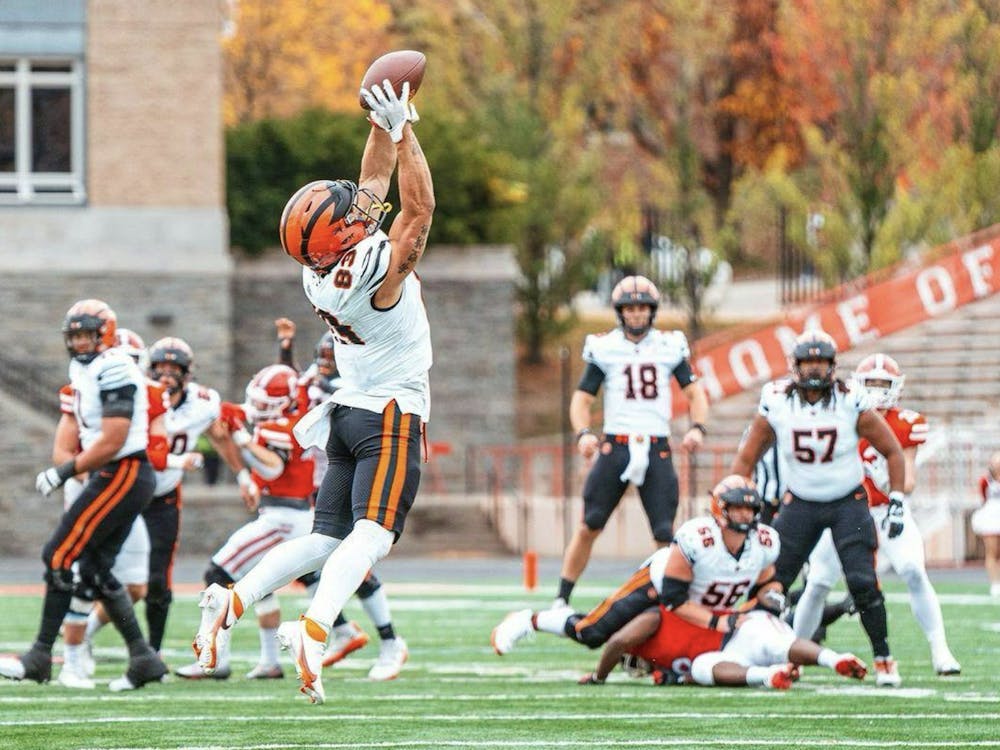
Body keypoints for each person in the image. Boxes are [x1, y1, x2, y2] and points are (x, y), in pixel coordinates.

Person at [192, 77, 433, 704]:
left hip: (346, 412)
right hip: (390, 411)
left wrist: (381, 125)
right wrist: (406, 130)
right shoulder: (377, 271)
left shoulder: (315, 271)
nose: (357, 207)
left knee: (325, 537)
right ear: (344, 238)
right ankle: (317, 625)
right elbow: (419, 208)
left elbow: (374, 188)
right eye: (347, 214)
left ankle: (235, 595)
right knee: (373, 536)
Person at [0, 300, 166, 691]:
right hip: (118, 473)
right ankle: (143, 657)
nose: (79, 342)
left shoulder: (114, 366)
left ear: (104, 334)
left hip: (124, 470)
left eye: (86, 334)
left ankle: (40, 656)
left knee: (57, 554)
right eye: (73, 335)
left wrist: (63, 471)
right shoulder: (86, 368)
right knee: (92, 567)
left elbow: (113, 438)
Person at [731, 329, 907, 687]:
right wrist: (733, 497)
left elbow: (893, 451)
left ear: (832, 366)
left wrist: (898, 498)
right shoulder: (777, 400)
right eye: (808, 361)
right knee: (771, 583)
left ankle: (884, 657)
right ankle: (782, 655)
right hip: (801, 502)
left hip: (847, 501)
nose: (814, 369)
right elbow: (747, 457)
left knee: (862, 582)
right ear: (795, 366)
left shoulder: (850, 399)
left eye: (821, 362)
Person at [492, 476, 783, 665]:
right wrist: (721, 623)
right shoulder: (697, 537)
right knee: (593, 633)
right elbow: (673, 599)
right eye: (736, 508)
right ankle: (530, 620)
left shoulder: (764, 542)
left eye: (749, 508)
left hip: (703, 609)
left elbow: (768, 583)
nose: (744, 515)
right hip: (658, 588)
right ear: (720, 509)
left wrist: (771, 599)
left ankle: (637, 661)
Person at [793, 353, 960, 677]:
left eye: (884, 384)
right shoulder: (840, 416)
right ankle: (793, 654)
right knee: (817, 583)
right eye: (871, 383)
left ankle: (941, 651)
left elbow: (908, 479)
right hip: (843, 509)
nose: (878, 390)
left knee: (913, 570)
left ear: (896, 387)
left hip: (887, 509)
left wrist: (887, 480)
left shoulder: (905, 422)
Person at [555, 275, 709, 608]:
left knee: (665, 534)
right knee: (589, 524)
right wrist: (583, 433)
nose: (636, 314)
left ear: (651, 311)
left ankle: (670, 602)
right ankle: (561, 599)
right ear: (619, 312)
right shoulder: (605, 346)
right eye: (630, 308)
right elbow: (581, 400)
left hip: (657, 446)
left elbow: (695, 393)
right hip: (616, 445)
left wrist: (698, 427)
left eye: (642, 308)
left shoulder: (669, 345)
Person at [275, 318, 409, 680]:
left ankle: (390, 640)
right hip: (322, 485)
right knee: (310, 565)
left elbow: (307, 387)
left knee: (355, 565)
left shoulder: (344, 389)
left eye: (330, 358)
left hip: (351, 480)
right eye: (322, 357)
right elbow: (296, 382)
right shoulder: (321, 382)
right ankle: (343, 630)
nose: (324, 364)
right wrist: (286, 348)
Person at [176, 363, 314, 680]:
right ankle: (268, 662)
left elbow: (271, 469)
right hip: (284, 513)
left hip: (285, 517)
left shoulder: (286, 426)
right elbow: (223, 419)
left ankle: (214, 658)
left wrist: (242, 440)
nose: (258, 408)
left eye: (266, 403)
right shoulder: (284, 416)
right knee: (259, 585)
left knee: (219, 572)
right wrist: (241, 471)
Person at [56, 327, 170, 688]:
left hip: (125, 494)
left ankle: (87, 639)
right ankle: (70, 662)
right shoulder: (81, 390)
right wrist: (96, 483)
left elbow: (158, 453)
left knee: (135, 584)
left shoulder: (148, 396)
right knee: (82, 578)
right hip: (95, 491)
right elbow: (62, 452)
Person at [972, 451, 1000, 598]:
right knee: (992, 552)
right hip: (991, 518)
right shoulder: (986, 480)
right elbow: (983, 497)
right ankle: (995, 584)